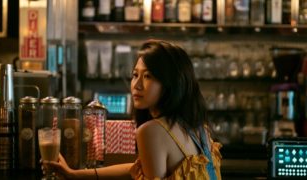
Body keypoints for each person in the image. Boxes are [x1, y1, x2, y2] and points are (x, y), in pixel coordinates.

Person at [42, 39, 222, 179]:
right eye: (135, 75)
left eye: (148, 76)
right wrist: (74, 175)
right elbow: (138, 167)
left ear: (171, 84)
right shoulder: (197, 126)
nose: (137, 85)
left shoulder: (151, 131)